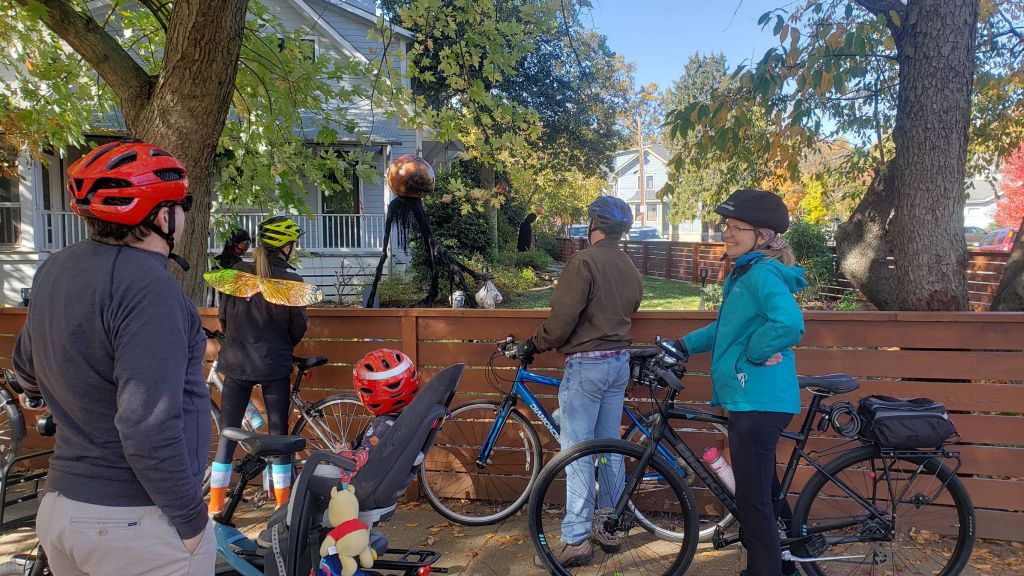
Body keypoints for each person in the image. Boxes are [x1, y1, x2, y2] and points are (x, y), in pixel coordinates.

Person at [12, 140, 214, 575]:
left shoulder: (54, 269)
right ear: (163, 217)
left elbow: (26, 368)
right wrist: (191, 520)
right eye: (183, 205)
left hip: (62, 507)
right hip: (136, 522)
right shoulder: (149, 288)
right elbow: (147, 425)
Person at [676, 189, 805, 576]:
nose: (727, 233)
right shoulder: (747, 273)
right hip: (755, 400)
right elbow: (726, 329)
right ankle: (792, 561)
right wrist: (682, 346)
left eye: (738, 228)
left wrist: (754, 351)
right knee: (766, 494)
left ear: (763, 236)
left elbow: (790, 323)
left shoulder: (761, 273)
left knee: (754, 504)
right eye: (727, 226)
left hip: (758, 402)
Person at [517, 195, 643, 568]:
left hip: (587, 366)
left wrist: (533, 344)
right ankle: (610, 528)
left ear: (593, 226)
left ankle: (575, 541)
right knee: (609, 448)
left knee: (577, 453)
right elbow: (633, 306)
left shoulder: (583, 261)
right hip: (618, 363)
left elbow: (560, 323)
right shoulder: (629, 265)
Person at [209, 216, 309, 515]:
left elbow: (224, 317)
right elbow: (298, 327)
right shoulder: (291, 281)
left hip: (236, 362)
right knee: (278, 436)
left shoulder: (236, 274)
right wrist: (279, 344)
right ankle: (282, 508)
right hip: (274, 364)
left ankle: (215, 507)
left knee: (227, 434)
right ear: (286, 247)